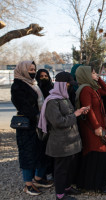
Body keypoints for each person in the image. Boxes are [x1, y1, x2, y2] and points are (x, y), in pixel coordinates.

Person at [38, 72, 87, 200]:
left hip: (70, 141)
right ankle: (60, 195)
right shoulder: (52, 101)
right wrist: (75, 115)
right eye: (68, 84)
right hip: (61, 143)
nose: (69, 86)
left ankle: (67, 188)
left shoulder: (63, 98)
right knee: (61, 169)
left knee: (69, 167)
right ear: (61, 84)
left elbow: (70, 114)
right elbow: (58, 122)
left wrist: (80, 112)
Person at [11, 61, 52, 196]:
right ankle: (28, 185)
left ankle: (38, 179)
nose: (33, 72)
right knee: (28, 154)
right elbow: (23, 106)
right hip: (28, 126)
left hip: (39, 123)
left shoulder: (33, 84)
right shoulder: (17, 86)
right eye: (30, 69)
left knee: (41, 151)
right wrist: (37, 116)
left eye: (34, 69)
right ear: (22, 70)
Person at [75, 66, 106, 194]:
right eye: (93, 73)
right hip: (92, 128)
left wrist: (99, 79)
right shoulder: (86, 89)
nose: (96, 74)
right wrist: (96, 127)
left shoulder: (92, 88)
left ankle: (95, 183)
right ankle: (98, 184)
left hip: (98, 125)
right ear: (85, 75)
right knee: (97, 153)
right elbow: (88, 109)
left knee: (99, 153)